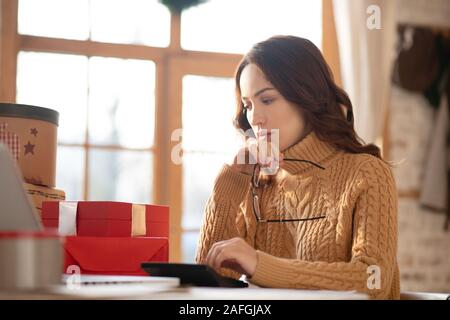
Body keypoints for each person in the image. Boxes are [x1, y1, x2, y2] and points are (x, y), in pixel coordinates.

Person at [196, 35, 399, 300]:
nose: (254, 118)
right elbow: (209, 283)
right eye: (248, 105)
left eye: (267, 100)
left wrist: (260, 265)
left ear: (306, 96)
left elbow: (373, 280)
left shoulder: (367, 173)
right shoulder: (254, 181)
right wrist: (231, 179)